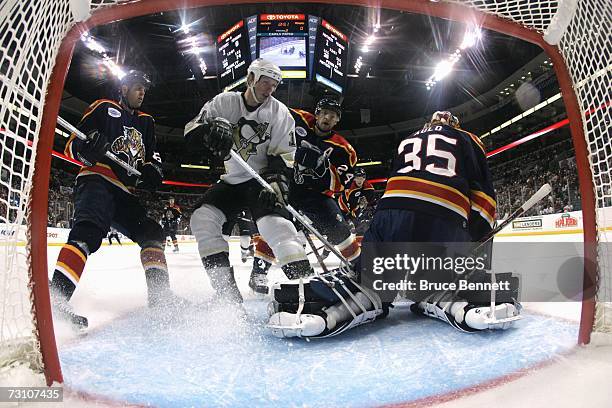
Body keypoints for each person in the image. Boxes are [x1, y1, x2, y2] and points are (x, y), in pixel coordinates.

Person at [267, 111, 520, 338]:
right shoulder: (467, 138)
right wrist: (474, 256)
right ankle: (449, 294)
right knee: (441, 276)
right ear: (454, 124)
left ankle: (330, 304)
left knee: (372, 279)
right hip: (442, 214)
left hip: (390, 212)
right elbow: (484, 198)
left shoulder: (407, 141)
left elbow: (397, 183)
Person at [49, 70, 182, 329]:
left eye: (144, 88)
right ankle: (56, 298)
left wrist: (153, 173)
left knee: (152, 232)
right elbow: (72, 145)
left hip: (123, 191)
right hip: (97, 180)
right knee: (87, 233)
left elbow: (150, 160)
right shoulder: (103, 107)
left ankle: (160, 298)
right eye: (136, 87)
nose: (141, 92)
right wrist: (87, 148)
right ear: (123, 89)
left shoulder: (147, 122)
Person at [184, 58, 316, 304]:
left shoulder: (280, 113)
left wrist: (277, 181)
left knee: (275, 225)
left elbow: (285, 156)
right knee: (202, 218)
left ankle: (305, 289)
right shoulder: (224, 102)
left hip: (262, 179)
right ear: (251, 79)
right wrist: (209, 132)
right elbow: (190, 132)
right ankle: (226, 293)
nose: (270, 89)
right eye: (266, 82)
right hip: (232, 181)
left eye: (275, 85)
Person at [247, 98, 360, 294]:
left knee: (340, 231)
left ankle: (362, 270)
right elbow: (269, 111)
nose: (327, 117)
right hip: (287, 186)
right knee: (277, 226)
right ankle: (258, 273)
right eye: (324, 112)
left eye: (332, 115)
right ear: (316, 114)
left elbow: (342, 184)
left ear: (337, 121)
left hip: (316, 195)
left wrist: (322, 170)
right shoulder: (295, 117)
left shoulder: (344, 150)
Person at [338, 167, 376, 234]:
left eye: (362, 178)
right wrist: (349, 218)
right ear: (354, 178)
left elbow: (372, 203)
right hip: (345, 208)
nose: (360, 180)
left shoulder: (369, 188)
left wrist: (371, 211)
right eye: (358, 178)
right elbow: (344, 203)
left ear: (364, 178)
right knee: (348, 228)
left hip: (358, 209)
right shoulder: (349, 188)